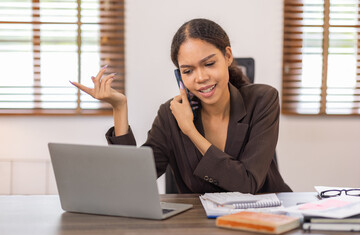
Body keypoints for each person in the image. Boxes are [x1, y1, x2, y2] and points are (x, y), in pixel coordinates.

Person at [71, 18, 292, 194]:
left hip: (266, 221)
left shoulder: (262, 100)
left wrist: (190, 131)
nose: (201, 77)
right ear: (179, 76)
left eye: (209, 64)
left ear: (227, 56)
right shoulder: (170, 114)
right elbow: (131, 182)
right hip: (199, 227)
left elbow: (247, 184)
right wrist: (119, 107)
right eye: (188, 71)